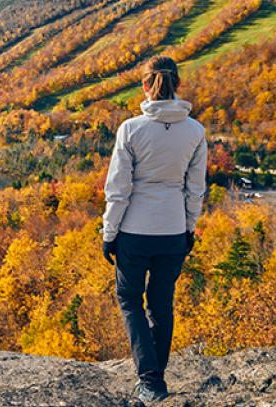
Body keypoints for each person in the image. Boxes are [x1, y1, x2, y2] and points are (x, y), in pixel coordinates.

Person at [101, 56, 207, 403]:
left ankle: (150, 381)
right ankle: (154, 380)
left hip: (134, 231)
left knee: (130, 300)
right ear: (178, 84)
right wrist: (189, 228)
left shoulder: (131, 129)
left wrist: (109, 233)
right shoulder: (195, 131)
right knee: (161, 305)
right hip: (173, 230)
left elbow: (118, 189)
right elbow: (195, 189)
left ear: (145, 86)